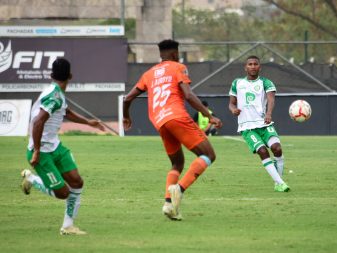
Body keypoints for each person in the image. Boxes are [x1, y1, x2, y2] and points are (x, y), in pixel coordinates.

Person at [123, 39, 222, 220]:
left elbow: (127, 99)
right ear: (176, 54)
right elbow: (189, 95)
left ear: (161, 54)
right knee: (209, 155)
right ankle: (179, 189)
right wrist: (209, 116)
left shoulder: (149, 74)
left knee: (177, 163)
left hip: (160, 121)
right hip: (177, 116)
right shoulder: (178, 67)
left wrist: (126, 116)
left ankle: (169, 204)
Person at [20, 58, 105, 235]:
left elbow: (65, 111)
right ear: (71, 76)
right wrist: (36, 150)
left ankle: (68, 226)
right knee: (63, 193)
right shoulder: (54, 95)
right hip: (41, 152)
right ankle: (32, 179)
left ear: (51, 75)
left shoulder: (56, 93)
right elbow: (38, 122)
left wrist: (88, 122)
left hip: (55, 147)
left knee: (77, 181)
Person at [228, 55, 290, 192]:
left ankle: (278, 182)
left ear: (259, 67)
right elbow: (231, 103)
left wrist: (268, 114)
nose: (253, 66)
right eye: (250, 64)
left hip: (264, 123)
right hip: (247, 127)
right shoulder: (237, 83)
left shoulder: (266, 82)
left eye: (255, 64)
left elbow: (271, 99)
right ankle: (280, 183)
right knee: (262, 151)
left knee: (277, 149)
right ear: (245, 67)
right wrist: (233, 110)